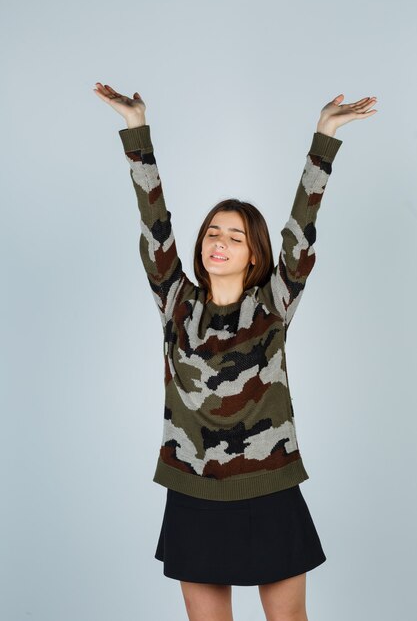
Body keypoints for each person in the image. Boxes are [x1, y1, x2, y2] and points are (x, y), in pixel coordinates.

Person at [93, 82, 377, 621]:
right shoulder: (175, 299)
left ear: (255, 255)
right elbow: (155, 224)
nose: (218, 241)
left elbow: (302, 229)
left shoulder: (274, 302)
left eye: (237, 236)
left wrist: (325, 136)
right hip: (192, 485)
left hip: (268, 483)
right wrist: (135, 129)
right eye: (213, 232)